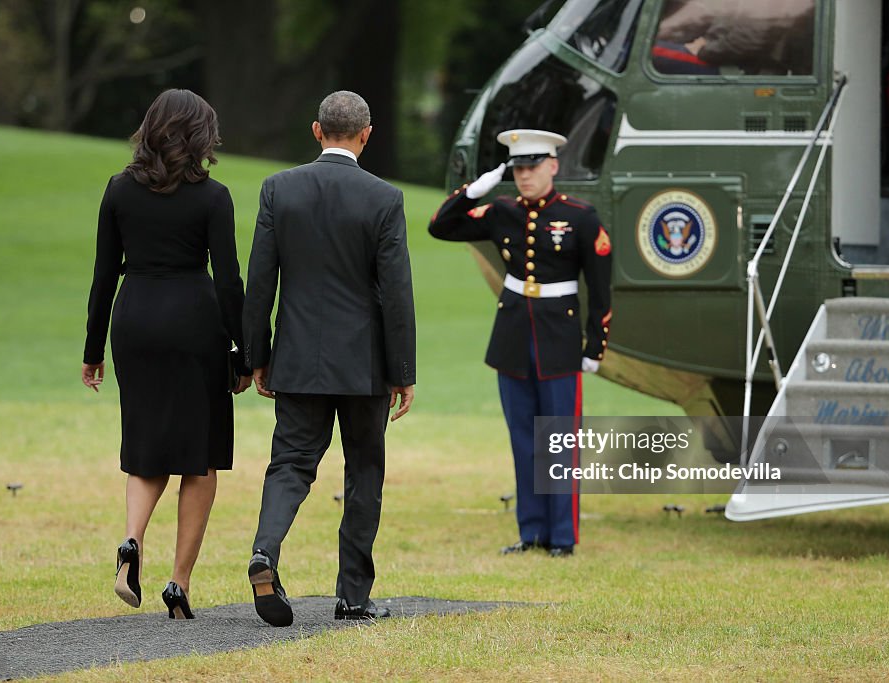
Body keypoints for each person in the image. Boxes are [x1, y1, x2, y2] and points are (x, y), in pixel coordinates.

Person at [242, 91, 416, 626]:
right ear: (366, 134)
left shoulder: (278, 190)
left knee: (290, 465)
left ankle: (265, 552)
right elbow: (397, 292)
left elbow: (260, 283)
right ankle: (352, 598)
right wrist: (402, 371)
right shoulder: (384, 199)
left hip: (296, 358)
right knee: (363, 470)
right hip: (362, 366)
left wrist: (257, 356)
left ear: (317, 131)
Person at [81, 88, 252, 620]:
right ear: (201, 135)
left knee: (146, 442)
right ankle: (178, 583)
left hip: (133, 321)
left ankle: (131, 543)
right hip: (193, 324)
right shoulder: (213, 196)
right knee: (198, 459)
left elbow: (103, 276)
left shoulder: (117, 190)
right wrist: (244, 351)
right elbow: (228, 281)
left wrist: (92, 350)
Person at [428, 129, 612, 558]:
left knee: (558, 440)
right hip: (513, 335)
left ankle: (562, 538)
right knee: (523, 439)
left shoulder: (582, 217)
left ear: (553, 166)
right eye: (518, 169)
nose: (525, 176)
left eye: (532, 167)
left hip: (560, 339)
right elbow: (441, 226)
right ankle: (530, 532)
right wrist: (474, 190)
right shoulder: (502, 211)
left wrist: (595, 346)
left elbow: (601, 290)